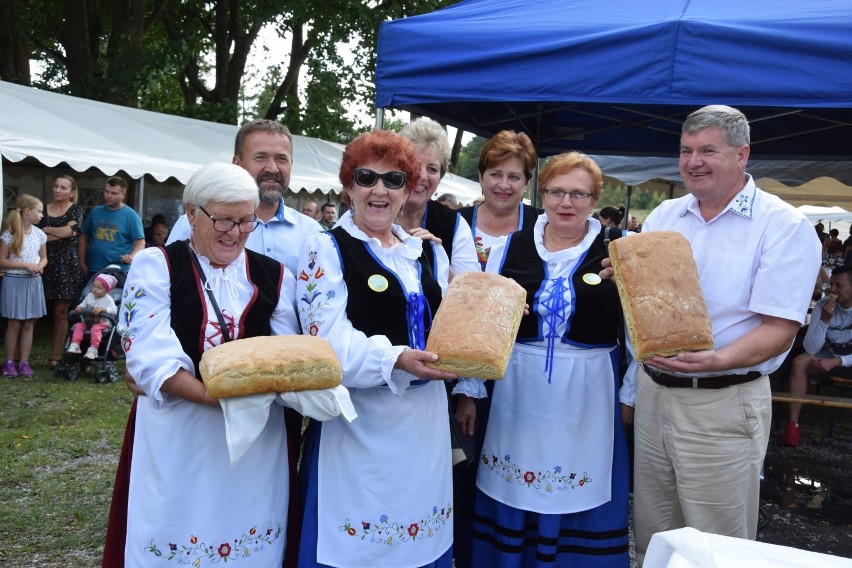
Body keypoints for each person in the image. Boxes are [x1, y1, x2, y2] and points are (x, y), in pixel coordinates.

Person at [615, 105, 821, 563]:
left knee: (716, 547)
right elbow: (646, 312)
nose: (693, 161)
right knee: (655, 537)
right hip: (655, 395)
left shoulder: (782, 226)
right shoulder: (665, 215)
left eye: (708, 150)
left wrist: (716, 360)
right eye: (686, 150)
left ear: (742, 155)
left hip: (723, 402)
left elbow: (780, 330)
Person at [105, 162, 302, 565]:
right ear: (191, 213)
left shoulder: (276, 276)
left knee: (249, 540)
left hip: (255, 445)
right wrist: (214, 396)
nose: (235, 232)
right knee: (179, 535)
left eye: (245, 221)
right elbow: (149, 355)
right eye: (223, 219)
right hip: (180, 438)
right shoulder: (157, 265)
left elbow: (287, 357)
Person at [295, 129, 459, 568]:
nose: (379, 190)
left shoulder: (427, 253)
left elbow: (447, 324)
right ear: (348, 186)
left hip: (424, 426)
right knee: (361, 544)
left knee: (417, 535)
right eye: (367, 178)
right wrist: (397, 358)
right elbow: (326, 342)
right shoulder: (325, 248)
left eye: (394, 180)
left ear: (408, 190)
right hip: (359, 426)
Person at [459, 152, 630, 567]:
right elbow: (485, 322)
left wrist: (631, 392)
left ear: (594, 200)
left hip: (588, 393)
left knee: (578, 486)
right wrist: (470, 389)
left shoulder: (619, 247)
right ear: (543, 193)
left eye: (578, 193)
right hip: (518, 390)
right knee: (513, 486)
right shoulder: (511, 246)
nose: (565, 202)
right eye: (556, 191)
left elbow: (636, 330)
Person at [168, 119, 322, 274]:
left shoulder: (311, 233)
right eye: (261, 157)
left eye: (281, 159)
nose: (273, 168)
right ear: (236, 163)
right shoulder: (194, 224)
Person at [398, 117, 480, 276]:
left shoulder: (454, 225)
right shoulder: (374, 213)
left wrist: (438, 259)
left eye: (432, 169)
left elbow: (468, 292)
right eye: (414, 165)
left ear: (440, 177)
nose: (422, 176)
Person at [782, 265, 852, 447]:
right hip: (828, 356)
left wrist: (837, 361)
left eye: (839, 286)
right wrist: (825, 320)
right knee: (799, 361)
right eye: (832, 285)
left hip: (844, 361)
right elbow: (810, 348)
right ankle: (793, 425)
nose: (833, 290)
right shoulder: (823, 306)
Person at [458, 130, 540, 271]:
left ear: (526, 183)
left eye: (514, 177)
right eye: (495, 174)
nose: (503, 185)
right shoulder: (455, 221)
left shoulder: (542, 226)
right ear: (481, 177)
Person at [37, 175, 85, 368]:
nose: (58, 190)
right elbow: (37, 236)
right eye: (56, 186)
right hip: (43, 263)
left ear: (72, 193)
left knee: (60, 311)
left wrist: (46, 230)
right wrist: (61, 231)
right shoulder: (43, 209)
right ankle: (19, 356)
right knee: (34, 311)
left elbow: (72, 232)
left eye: (63, 188)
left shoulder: (76, 209)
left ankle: (55, 356)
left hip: (67, 267)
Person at [0, 194, 47, 378]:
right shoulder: (9, 234)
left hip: (33, 282)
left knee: (29, 323)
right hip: (14, 281)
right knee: (14, 323)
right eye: (39, 211)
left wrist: (40, 266)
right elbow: (2, 260)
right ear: (27, 211)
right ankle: (10, 362)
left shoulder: (39, 234)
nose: (42, 215)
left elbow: (43, 257)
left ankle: (24, 362)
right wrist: (25, 265)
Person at [78, 176, 145, 275]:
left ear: (123, 195)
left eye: (114, 193)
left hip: (119, 270)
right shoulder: (95, 212)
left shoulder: (131, 216)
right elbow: (83, 238)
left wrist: (132, 256)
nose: (109, 196)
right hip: (93, 269)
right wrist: (82, 262)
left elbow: (140, 242)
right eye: (106, 191)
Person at [66, 273, 118, 360]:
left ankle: (94, 348)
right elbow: (83, 304)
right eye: (94, 286)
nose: (95, 289)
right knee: (78, 325)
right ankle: (75, 344)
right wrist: (80, 307)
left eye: (99, 288)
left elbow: (115, 310)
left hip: (103, 323)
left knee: (95, 328)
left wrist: (103, 309)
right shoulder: (89, 296)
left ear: (107, 290)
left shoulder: (108, 299)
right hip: (88, 322)